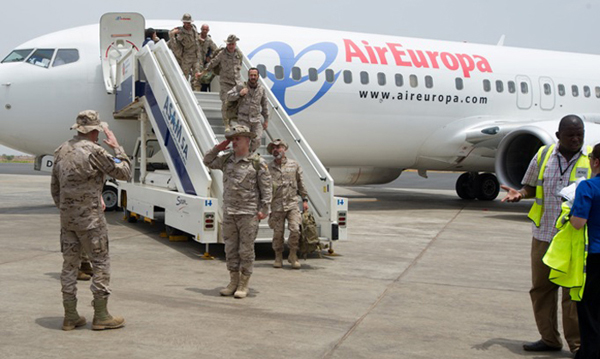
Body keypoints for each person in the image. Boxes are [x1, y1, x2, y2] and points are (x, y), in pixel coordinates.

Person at [501, 115, 590, 353]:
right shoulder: (543, 156)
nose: (576, 139)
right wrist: (519, 194)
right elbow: (530, 185)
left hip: (572, 238)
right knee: (541, 289)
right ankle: (549, 339)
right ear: (559, 136)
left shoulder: (591, 159)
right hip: (543, 234)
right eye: (570, 135)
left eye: (579, 134)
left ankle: (577, 345)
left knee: (571, 294)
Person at [50, 110, 131, 331]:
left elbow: (55, 189)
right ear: (95, 131)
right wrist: (116, 147)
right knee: (101, 264)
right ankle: (102, 315)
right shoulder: (94, 151)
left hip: (67, 221)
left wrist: (68, 209)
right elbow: (124, 173)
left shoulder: (61, 150)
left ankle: (70, 316)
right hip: (91, 222)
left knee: (69, 267)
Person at [202, 125, 271, 299]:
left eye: (237, 139)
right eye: (232, 139)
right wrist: (219, 147)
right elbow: (207, 161)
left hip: (248, 213)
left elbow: (266, 188)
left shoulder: (257, 163)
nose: (233, 142)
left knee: (246, 250)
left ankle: (244, 283)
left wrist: (265, 209)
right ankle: (232, 281)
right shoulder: (226, 160)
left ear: (247, 140)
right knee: (230, 249)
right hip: (230, 212)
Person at [569, 143, 600, 359]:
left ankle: (589, 353)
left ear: (596, 162)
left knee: (589, 307)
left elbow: (578, 222)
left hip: (595, 255)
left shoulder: (588, 187)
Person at [267, 139, 309, 269]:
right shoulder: (268, 168)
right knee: (278, 233)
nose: (276, 149)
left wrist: (305, 199)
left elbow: (300, 182)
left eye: (279, 147)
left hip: (292, 204)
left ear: (284, 149)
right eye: (273, 147)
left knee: (295, 229)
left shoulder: (294, 165)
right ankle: (278, 256)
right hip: (277, 206)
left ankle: (292, 254)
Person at [199, 34, 242, 118]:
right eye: (229, 44)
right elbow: (212, 63)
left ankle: (233, 118)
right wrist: (203, 73)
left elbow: (240, 65)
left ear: (235, 44)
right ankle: (226, 122)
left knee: (238, 101)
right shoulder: (222, 54)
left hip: (236, 82)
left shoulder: (239, 54)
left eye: (232, 44)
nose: (230, 46)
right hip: (225, 82)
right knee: (226, 101)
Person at [227, 67, 269, 151]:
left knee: (257, 140)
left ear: (258, 76)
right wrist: (239, 94)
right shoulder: (241, 86)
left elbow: (264, 104)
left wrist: (266, 120)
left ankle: (248, 155)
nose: (253, 77)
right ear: (248, 76)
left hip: (256, 120)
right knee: (243, 140)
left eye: (255, 75)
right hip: (243, 119)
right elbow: (228, 96)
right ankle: (243, 155)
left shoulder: (261, 89)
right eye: (251, 75)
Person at [168, 14, 201, 89]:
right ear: (183, 23)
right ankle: (182, 90)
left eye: (189, 23)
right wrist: (173, 34)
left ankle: (195, 91)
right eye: (186, 23)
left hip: (196, 57)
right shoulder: (181, 31)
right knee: (184, 76)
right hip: (187, 57)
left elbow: (196, 39)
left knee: (196, 76)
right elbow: (173, 41)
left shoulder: (194, 28)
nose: (188, 24)